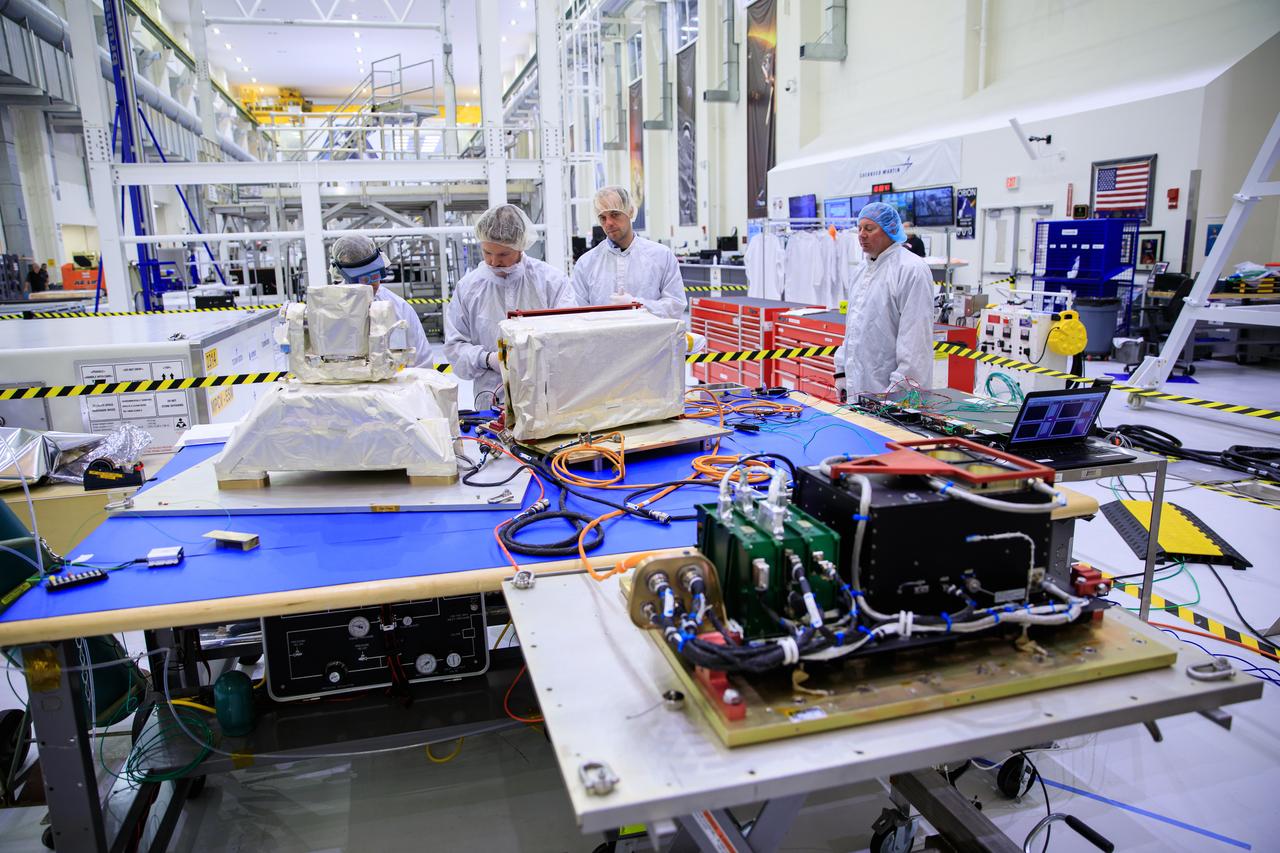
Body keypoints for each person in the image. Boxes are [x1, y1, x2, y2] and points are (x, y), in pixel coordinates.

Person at [443, 204, 576, 407]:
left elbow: (569, 338)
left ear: (520, 246)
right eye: (487, 252)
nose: (494, 261)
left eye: (503, 254)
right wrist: (487, 359)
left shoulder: (551, 282)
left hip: (544, 399)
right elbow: (455, 347)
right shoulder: (468, 288)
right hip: (490, 402)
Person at [835, 202, 935, 398]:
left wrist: (896, 394)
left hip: (891, 396)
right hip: (859, 391)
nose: (862, 234)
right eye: (860, 228)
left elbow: (915, 342)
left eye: (869, 228)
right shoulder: (861, 271)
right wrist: (842, 372)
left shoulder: (910, 270)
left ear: (890, 230)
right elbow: (852, 330)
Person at [571, 186, 686, 319]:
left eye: (615, 214)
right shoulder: (586, 264)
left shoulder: (661, 256)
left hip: (651, 339)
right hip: (603, 339)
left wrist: (637, 305)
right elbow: (578, 314)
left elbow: (675, 306)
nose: (608, 223)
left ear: (630, 212)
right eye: (602, 217)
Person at [330, 235, 433, 368]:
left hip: (393, 387)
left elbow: (422, 360)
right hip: (343, 386)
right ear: (342, 274)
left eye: (375, 275)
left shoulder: (399, 307)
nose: (372, 284)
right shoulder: (329, 308)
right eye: (362, 279)